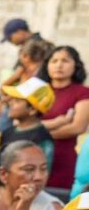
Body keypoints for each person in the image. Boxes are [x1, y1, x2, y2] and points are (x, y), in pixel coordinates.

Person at [41, 46, 89, 194]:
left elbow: (78, 127)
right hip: (32, 158)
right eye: (54, 61)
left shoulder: (82, 93)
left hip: (64, 160)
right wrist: (59, 123)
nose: (59, 65)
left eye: (65, 61)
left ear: (76, 65)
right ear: (47, 65)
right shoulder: (38, 91)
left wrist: (37, 132)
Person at [0, 77, 55, 172]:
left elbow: (42, 173)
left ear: (32, 110)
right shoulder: (7, 133)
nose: (10, 103)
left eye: (17, 101)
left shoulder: (42, 139)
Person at [0, 17, 44, 87]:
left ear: (20, 32)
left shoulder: (33, 47)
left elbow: (18, 73)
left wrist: (3, 86)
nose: (10, 41)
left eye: (10, 38)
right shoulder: (41, 43)